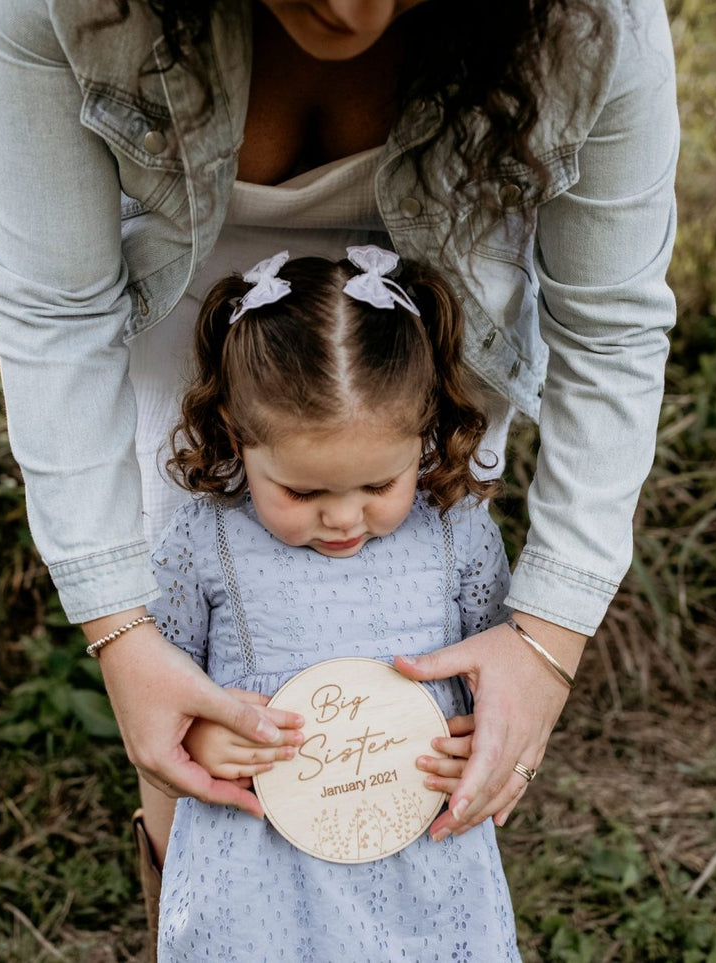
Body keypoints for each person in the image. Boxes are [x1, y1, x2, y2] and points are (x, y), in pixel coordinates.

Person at [0, 0, 678, 944]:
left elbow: (612, 326)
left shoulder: (592, 21)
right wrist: (123, 637)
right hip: (188, 355)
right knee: (197, 767)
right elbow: (54, 311)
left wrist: (545, 642)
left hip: (413, 372)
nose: (346, 10)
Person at [150, 246, 519, 959]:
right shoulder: (206, 538)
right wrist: (197, 737)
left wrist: (481, 737)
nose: (344, 519)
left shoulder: (455, 530)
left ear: (423, 434)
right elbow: (162, 677)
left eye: (379, 486)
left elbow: (498, 663)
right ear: (234, 433)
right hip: (259, 861)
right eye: (304, 492)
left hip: (422, 853)